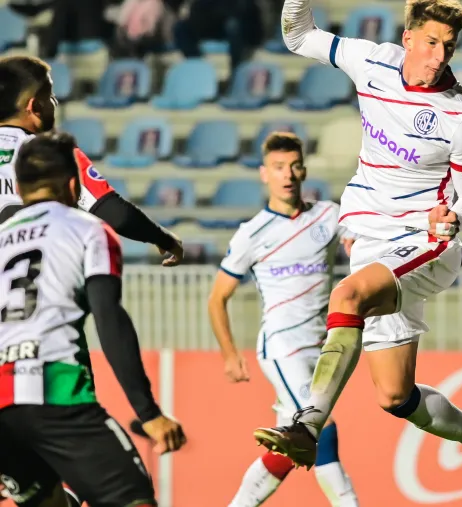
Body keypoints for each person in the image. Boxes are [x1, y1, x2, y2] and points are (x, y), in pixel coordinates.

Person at [253, 1, 462, 506]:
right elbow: (297, 36)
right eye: (432, 43)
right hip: (371, 239)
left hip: (425, 240)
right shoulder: (371, 61)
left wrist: (457, 216)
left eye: (449, 47)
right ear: (409, 38)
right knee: (395, 396)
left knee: (347, 297)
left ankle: (306, 426)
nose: (439, 56)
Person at [0, 132, 186, 507]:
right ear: (73, 183)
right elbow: (110, 320)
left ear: (19, 186)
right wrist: (147, 413)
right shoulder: (88, 230)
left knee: (51, 501)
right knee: (133, 498)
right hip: (55, 392)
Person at [208, 132, 359, 507]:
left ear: (304, 169)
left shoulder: (328, 214)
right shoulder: (252, 234)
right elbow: (217, 298)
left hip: (322, 349)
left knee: (287, 449)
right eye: (278, 168)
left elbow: (360, 243)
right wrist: (229, 354)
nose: (287, 175)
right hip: (282, 346)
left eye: (293, 166)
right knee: (320, 429)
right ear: (264, 174)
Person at [0, 55, 184, 266]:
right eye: (50, 95)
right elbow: (114, 212)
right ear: (35, 107)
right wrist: (163, 238)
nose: (55, 102)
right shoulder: (52, 152)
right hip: (33, 289)